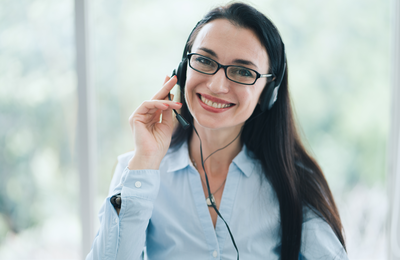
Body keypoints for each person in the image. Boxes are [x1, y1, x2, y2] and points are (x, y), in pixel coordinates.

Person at [86, 2, 348, 260]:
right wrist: (146, 161)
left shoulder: (294, 179)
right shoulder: (137, 172)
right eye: (204, 60)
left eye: (243, 71)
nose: (216, 85)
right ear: (183, 69)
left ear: (267, 93)